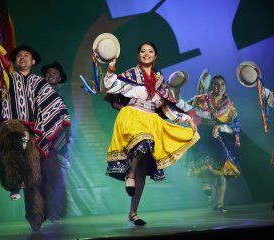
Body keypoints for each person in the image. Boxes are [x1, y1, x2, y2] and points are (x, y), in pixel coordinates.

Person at [103, 41, 199, 225]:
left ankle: (133, 213)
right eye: (143, 51)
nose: (146, 54)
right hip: (132, 116)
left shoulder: (160, 80)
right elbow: (111, 86)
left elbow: (167, 107)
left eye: (150, 51)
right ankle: (129, 175)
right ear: (139, 55)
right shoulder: (130, 74)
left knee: (143, 169)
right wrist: (111, 67)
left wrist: (186, 119)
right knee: (144, 142)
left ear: (155, 56)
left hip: (151, 120)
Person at [0, 44, 71, 231]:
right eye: (19, 55)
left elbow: (54, 105)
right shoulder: (7, 79)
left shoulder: (40, 83)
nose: (22, 57)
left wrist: (45, 128)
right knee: (10, 135)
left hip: (33, 134)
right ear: (14, 61)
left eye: (27, 55)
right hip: (12, 128)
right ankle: (13, 182)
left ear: (33, 61)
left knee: (34, 178)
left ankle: (35, 218)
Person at [177, 74, 241, 212]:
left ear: (225, 87)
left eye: (222, 84)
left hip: (218, 136)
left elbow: (235, 125)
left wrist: (220, 127)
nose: (219, 87)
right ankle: (205, 182)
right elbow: (183, 106)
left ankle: (219, 204)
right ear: (211, 86)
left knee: (221, 170)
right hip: (202, 134)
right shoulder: (201, 99)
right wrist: (175, 93)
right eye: (216, 84)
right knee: (204, 161)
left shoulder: (229, 106)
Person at [40, 61, 70, 223]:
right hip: (38, 140)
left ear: (59, 79)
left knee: (54, 178)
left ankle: (55, 213)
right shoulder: (37, 94)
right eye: (48, 73)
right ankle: (43, 213)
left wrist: (63, 144)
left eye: (54, 73)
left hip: (53, 144)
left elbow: (63, 121)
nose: (50, 75)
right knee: (40, 179)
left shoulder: (59, 98)